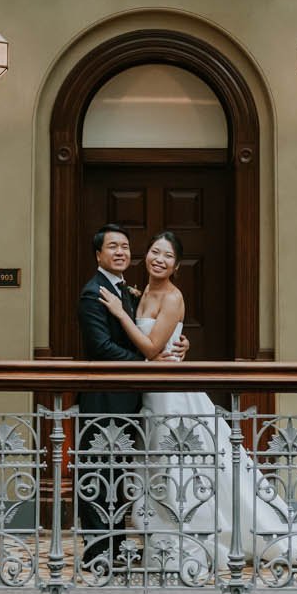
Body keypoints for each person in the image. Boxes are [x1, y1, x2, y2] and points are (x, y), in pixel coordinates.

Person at [99, 231, 297, 580]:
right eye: (155, 252)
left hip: (172, 393)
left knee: (185, 467)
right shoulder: (140, 293)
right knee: (161, 466)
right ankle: (167, 539)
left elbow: (152, 350)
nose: (159, 259)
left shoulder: (172, 297)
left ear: (177, 265)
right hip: (151, 393)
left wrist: (120, 315)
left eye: (168, 256)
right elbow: (161, 344)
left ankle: (201, 539)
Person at [72, 225, 185, 573]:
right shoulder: (94, 293)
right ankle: (97, 552)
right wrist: (148, 363)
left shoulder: (131, 291)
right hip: (104, 398)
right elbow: (101, 348)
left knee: (117, 473)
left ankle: (117, 545)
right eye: (112, 247)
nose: (120, 252)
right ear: (98, 255)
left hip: (134, 398)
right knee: (94, 472)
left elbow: (152, 330)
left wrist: (178, 345)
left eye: (124, 246)